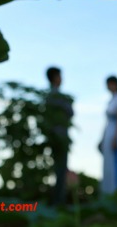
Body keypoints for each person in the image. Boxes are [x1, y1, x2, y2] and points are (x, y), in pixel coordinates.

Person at [44, 66, 74, 206]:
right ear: (55, 77)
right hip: (59, 138)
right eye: (60, 76)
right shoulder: (55, 97)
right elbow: (70, 112)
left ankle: (58, 200)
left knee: (60, 170)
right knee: (60, 170)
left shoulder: (51, 96)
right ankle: (58, 202)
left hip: (59, 137)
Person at [99, 75, 117, 195]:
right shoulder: (112, 100)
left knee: (114, 165)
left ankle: (116, 191)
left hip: (114, 134)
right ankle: (108, 192)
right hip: (108, 133)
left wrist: (116, 137)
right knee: (107, 164)